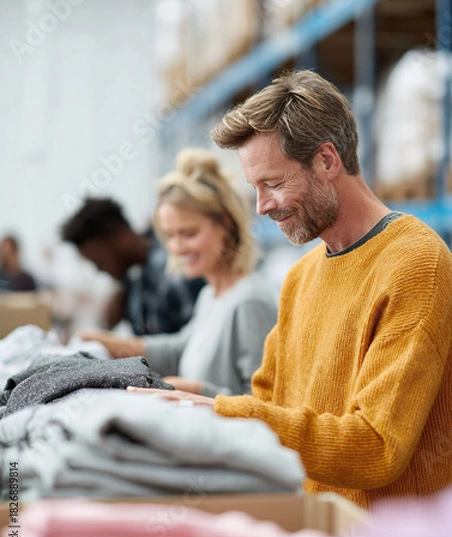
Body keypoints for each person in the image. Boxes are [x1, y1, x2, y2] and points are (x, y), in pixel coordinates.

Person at [129, 70, 452, 509]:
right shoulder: (300, 278)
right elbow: (267, 404)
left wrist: (219, 411)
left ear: (326, 161)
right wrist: (191, 404)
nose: (262, 207)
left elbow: (376, 447)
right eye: (254, 188)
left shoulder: (417, 264)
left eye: (274, 184)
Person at [81, 148, 278, 397]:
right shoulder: (211, 296)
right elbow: (178, 350)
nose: (176, 248)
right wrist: (96, 341)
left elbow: (267, 404)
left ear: (226, 224)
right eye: (170, 236)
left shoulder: (250, 303)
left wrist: (195, 390)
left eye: (189, 234)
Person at [60, 197, 205, 335]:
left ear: (121, 237)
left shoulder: (171, 271)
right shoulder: (136, 275)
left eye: (98, 261)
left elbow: (194, 347)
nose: (98, 269)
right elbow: (108, 320)